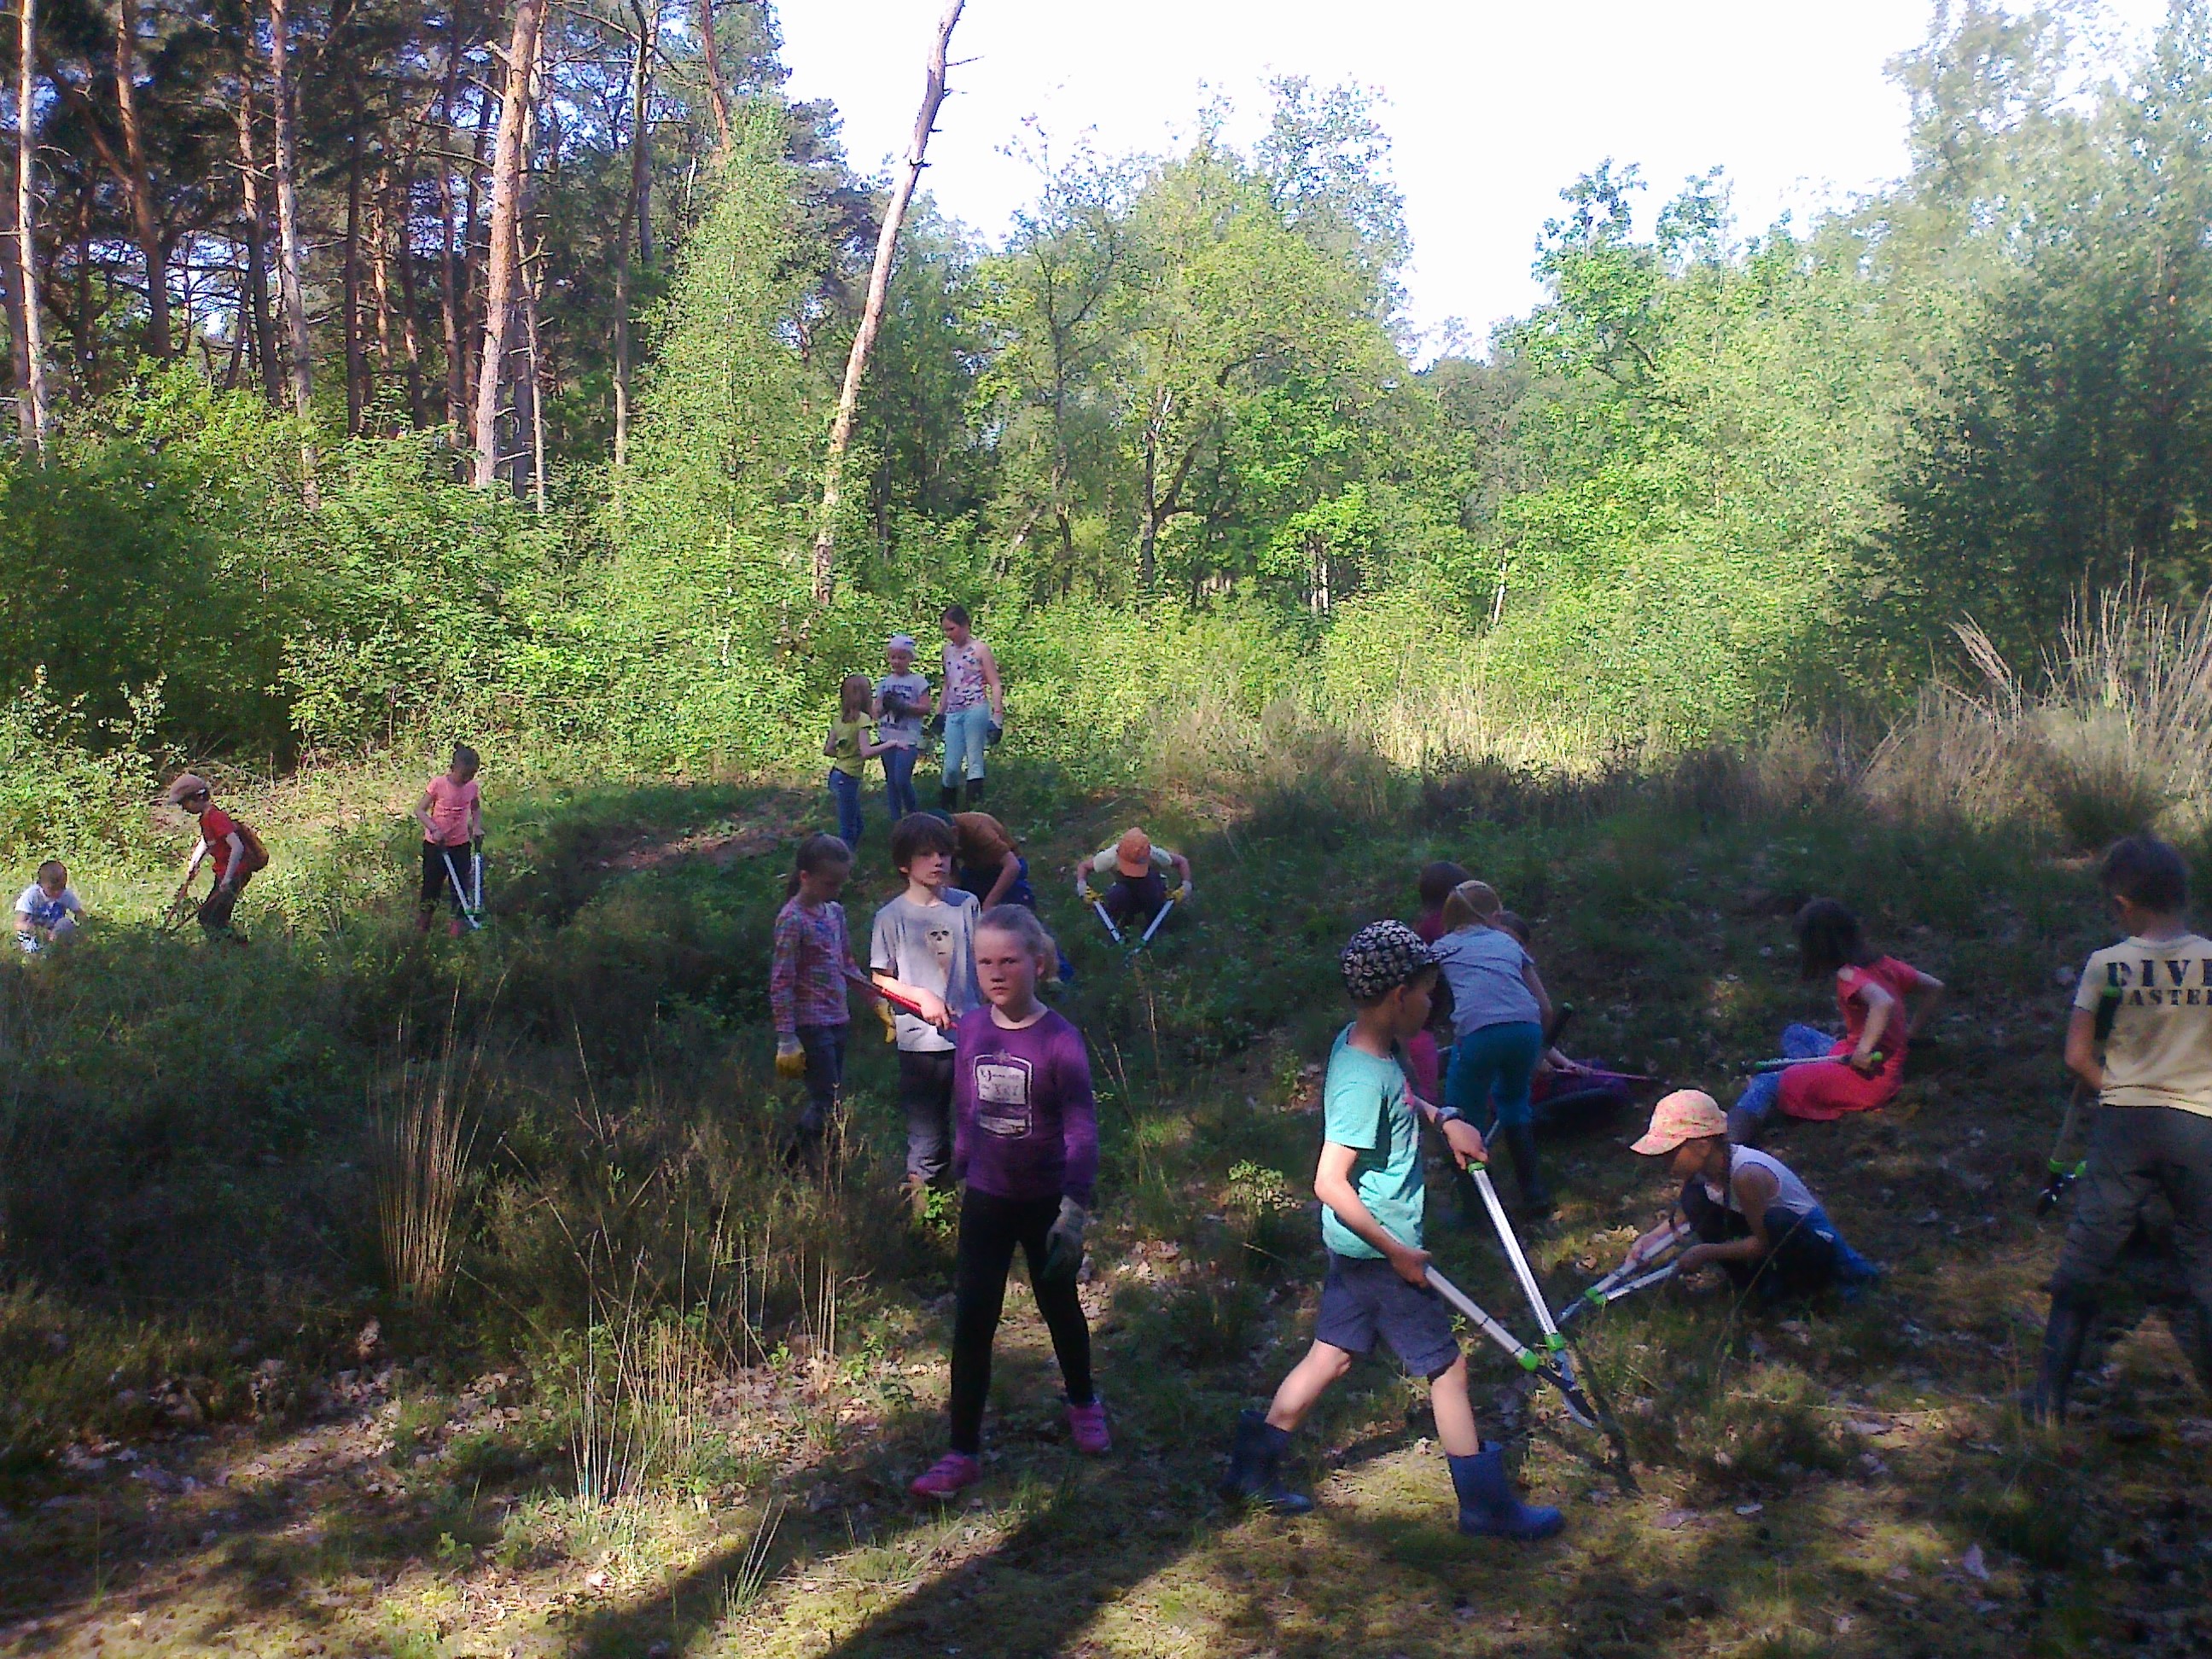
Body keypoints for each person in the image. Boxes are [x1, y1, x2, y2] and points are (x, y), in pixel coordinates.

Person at [1217, 921, 1563, 1540]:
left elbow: (1405, 1103)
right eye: (1429, 992)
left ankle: (1252, 1469)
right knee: (1448, 1369)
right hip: (1380, 1250)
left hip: (1361, 1248)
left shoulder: (1373, 1046)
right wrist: (1398, 1252)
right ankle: (1484, 1507)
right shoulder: (1361, 1074)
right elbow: (1329, 1181)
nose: (1436, 1005)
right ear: (1398, 995)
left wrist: (1447, 1116)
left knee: (1331, 1357)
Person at [910, 905, 1105, 1498]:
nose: (996, 973)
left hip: (1046, 1202)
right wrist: (964, 1163)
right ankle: (961, 1451)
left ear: (1037, 964)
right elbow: (965, 1105)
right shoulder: (973, 1029)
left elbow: (1082, 1130)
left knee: (1059, 1306)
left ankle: (1083, 1400)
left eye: (1009, 961)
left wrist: (1074, 1208)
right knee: (973, 1322)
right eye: (985, 962)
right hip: (987, 1201)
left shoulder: (1060, 1041)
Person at [2034, 835, 2212, 1424]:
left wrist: (2119, 1089)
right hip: (2200, 1127)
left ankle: (2046, 1404)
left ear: (2123, 903)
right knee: (2206, 1254)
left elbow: (2076, 1056)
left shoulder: (2107, 965)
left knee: (2087, 1253)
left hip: (2126, 1124)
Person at [1627, 1088, 1880, 1302]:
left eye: (1670, 1152)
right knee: (1694, 1199)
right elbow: (1683, 1219)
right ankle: (1755, 1285)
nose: (1664, 1160)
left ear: (1702, 1146)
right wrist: (1649, 1242)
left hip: (1812, 1249)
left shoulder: (1746, 1175)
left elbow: (1766, 1242)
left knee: (1776, 1222)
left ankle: (1803, 1292)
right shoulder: (1707, 1174)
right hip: (1774, 1241)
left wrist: (1706, 1252)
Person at [1728, 899, 1945, 1145]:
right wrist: (1909, 1036)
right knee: (1794, 1033)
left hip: (1866, 1079)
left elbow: (1883, 1003)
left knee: (1764, 1082)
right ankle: (1797, 1079)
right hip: (1853, 1057)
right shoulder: (1884, 964)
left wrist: (1863, 1051)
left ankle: (1727, 1149)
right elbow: (1935, 987)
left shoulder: (1848, 975)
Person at [870, 813, 980, 1216]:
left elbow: (984, 963)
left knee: (975, 1122)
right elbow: (880, 980)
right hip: (921, 1044)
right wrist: (919, 997)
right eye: (926, 854)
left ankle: (977, 1209)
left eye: (944, 853)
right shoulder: (891, 917)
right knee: (927, 1133)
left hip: (971, 1035)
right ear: (904, 864)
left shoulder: (966, 905)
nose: (938, 861)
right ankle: (923, 1213)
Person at [1434, 880, 1555, 1219]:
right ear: (1493, 914)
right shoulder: (1507, 942)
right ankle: (1534, 1193)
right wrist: (1538, 1051)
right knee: (1515, 1104)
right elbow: (1545, 1008)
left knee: (1460, 1116)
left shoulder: (1443, 949)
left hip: (1478, 1035)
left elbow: (1431, 996)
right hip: (1526, 1029)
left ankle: (1475, 1211)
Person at [1496, 910, 1644, 1132]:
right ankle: (1542, 1120)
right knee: (1611, 1091)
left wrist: (1566, 1064)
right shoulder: (1494, 994)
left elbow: (1540, 1042)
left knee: (1600, 1069)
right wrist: (1533, 1065)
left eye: (1517, 944)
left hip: (1541, 1077)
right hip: (1520, 1089)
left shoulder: (1522, 987)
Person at [771, 835, 866, 1161]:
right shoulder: (792, 920)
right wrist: (786, 1037)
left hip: (839, 1019)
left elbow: (847, 965)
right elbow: (782, 980)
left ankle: (825, 1158)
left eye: (840, 883)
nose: (835, 890)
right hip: (811, 1025)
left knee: (834, 1093)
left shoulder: (835, 913)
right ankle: (792, 1159)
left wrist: (875, 1000)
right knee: (826, 1098)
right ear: (805, 877)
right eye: (829, 883)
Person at [166, 773, 265, 937]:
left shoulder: (216, 817)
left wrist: (228, 878)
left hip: (235, 873)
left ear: (198, 798)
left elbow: (237, 847)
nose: (183, 808)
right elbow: (207, 841)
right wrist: (194, 863)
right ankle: (231, 948)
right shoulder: (206, 819)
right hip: (225, 873)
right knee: (213, 918)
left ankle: (237, 948)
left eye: (185, 803)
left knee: (210, 918)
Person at [937, 604, 1004, 811]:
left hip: (975, 708)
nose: (949, 635)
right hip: (953, 712)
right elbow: (948, 684)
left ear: (965, 625)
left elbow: (995, 682)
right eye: (946, 630)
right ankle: (947, 812)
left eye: (952, 629)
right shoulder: (947, 651)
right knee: (950, 767)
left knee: (974, 760)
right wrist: (939, 713)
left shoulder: (980, 649)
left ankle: (974, 811)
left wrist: (997, 716)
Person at [413, 744, 483, 937]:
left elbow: (476, 808)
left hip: (460, 845)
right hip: (435, 846)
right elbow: (420, 810)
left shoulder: (472, 787)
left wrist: (476, 826)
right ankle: (423, 927)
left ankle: (456, 930)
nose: (468, 779)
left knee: (460, 887)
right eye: (465, 775)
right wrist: (434, 829)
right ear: (453, 768)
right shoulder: (438, 784)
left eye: (472, 774)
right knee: (431, 886)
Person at [1076, 828, 1190, 934]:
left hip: (1151, 889)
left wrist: (1186, 885)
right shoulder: (1109, 857)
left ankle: (1156, 926)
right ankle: (1122, 925)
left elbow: (1181, 861)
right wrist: (1082, 887)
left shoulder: (1155, 854)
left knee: (1151, 887)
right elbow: (1084, 867)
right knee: (1117, 896)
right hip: (1125, 890)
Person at [825, 675, 891, 853]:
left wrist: (845, 751)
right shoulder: (862, 720)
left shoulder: (839, 719)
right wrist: (891, 744)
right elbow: (866, 752)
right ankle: (843, 862)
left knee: (856, 823)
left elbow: (828, 749)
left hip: (836, 774)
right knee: (848, 829)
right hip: (848, 778)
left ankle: (855, 854)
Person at [874, 636, 933, 822]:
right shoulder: (884, 683)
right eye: (893, 657)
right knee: (891, 781)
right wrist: (886, 704)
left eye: (901, 657)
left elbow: (925, 708)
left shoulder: (918, 682)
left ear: (910, 658)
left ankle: (914, 816)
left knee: (901, 779)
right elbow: (876, 712)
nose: (896, 661)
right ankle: (896, 821)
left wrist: (904, 706)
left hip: (908, 738)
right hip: (887, 737)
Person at [15, 859, 84, 953]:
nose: (58, 892)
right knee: (38, 951)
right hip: (34, 936)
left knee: (66, 923)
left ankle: (62, 951)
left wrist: (86, 931)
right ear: (41, 884)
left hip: (55, 933)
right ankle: (34, 953)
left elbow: (80, 914)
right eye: (53, 889)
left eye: (62, 887)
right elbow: (18, 924)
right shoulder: (32, 895)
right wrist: (38, 931)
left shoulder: (66, 895)